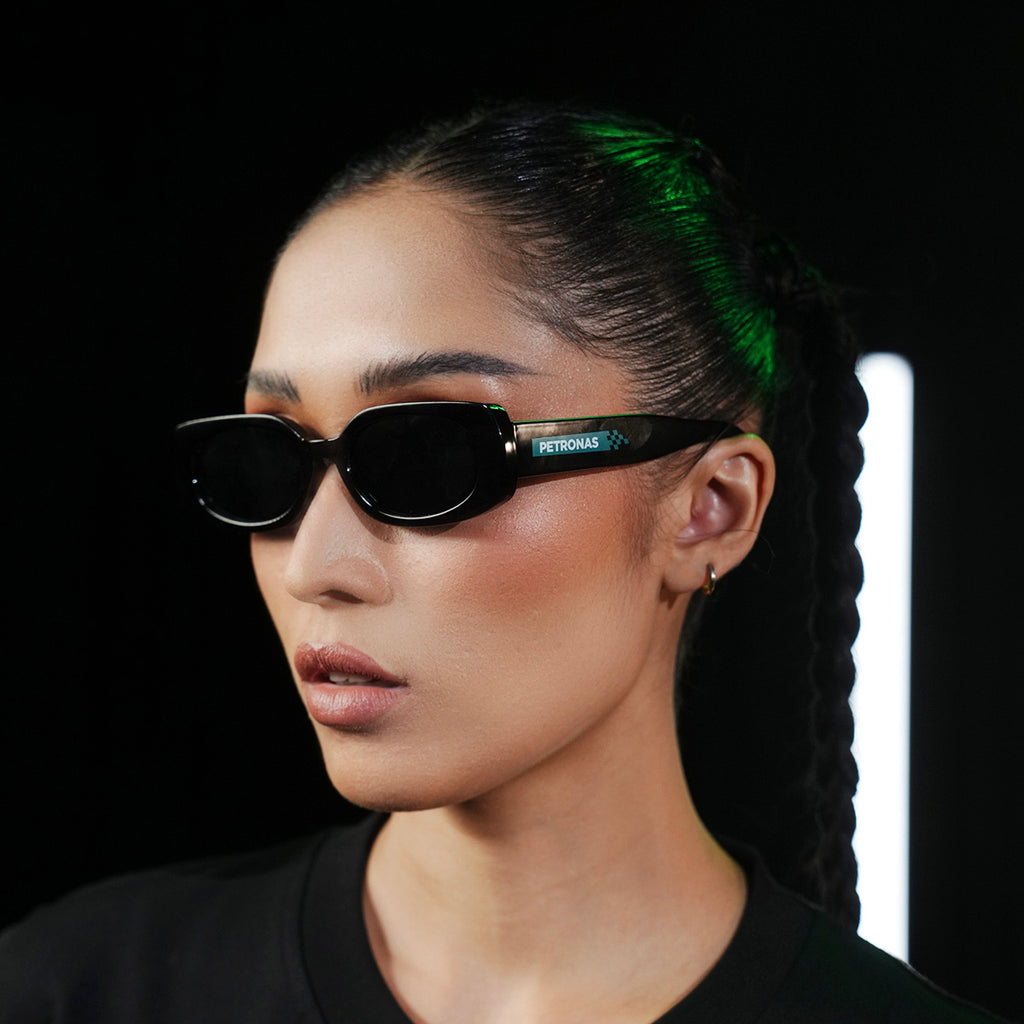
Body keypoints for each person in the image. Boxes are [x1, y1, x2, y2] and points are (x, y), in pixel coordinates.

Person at [1, 101, 1009, 1023]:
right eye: (269, 460)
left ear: (709, 510)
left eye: (425, 457)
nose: (315, 563)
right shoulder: (75, 990)